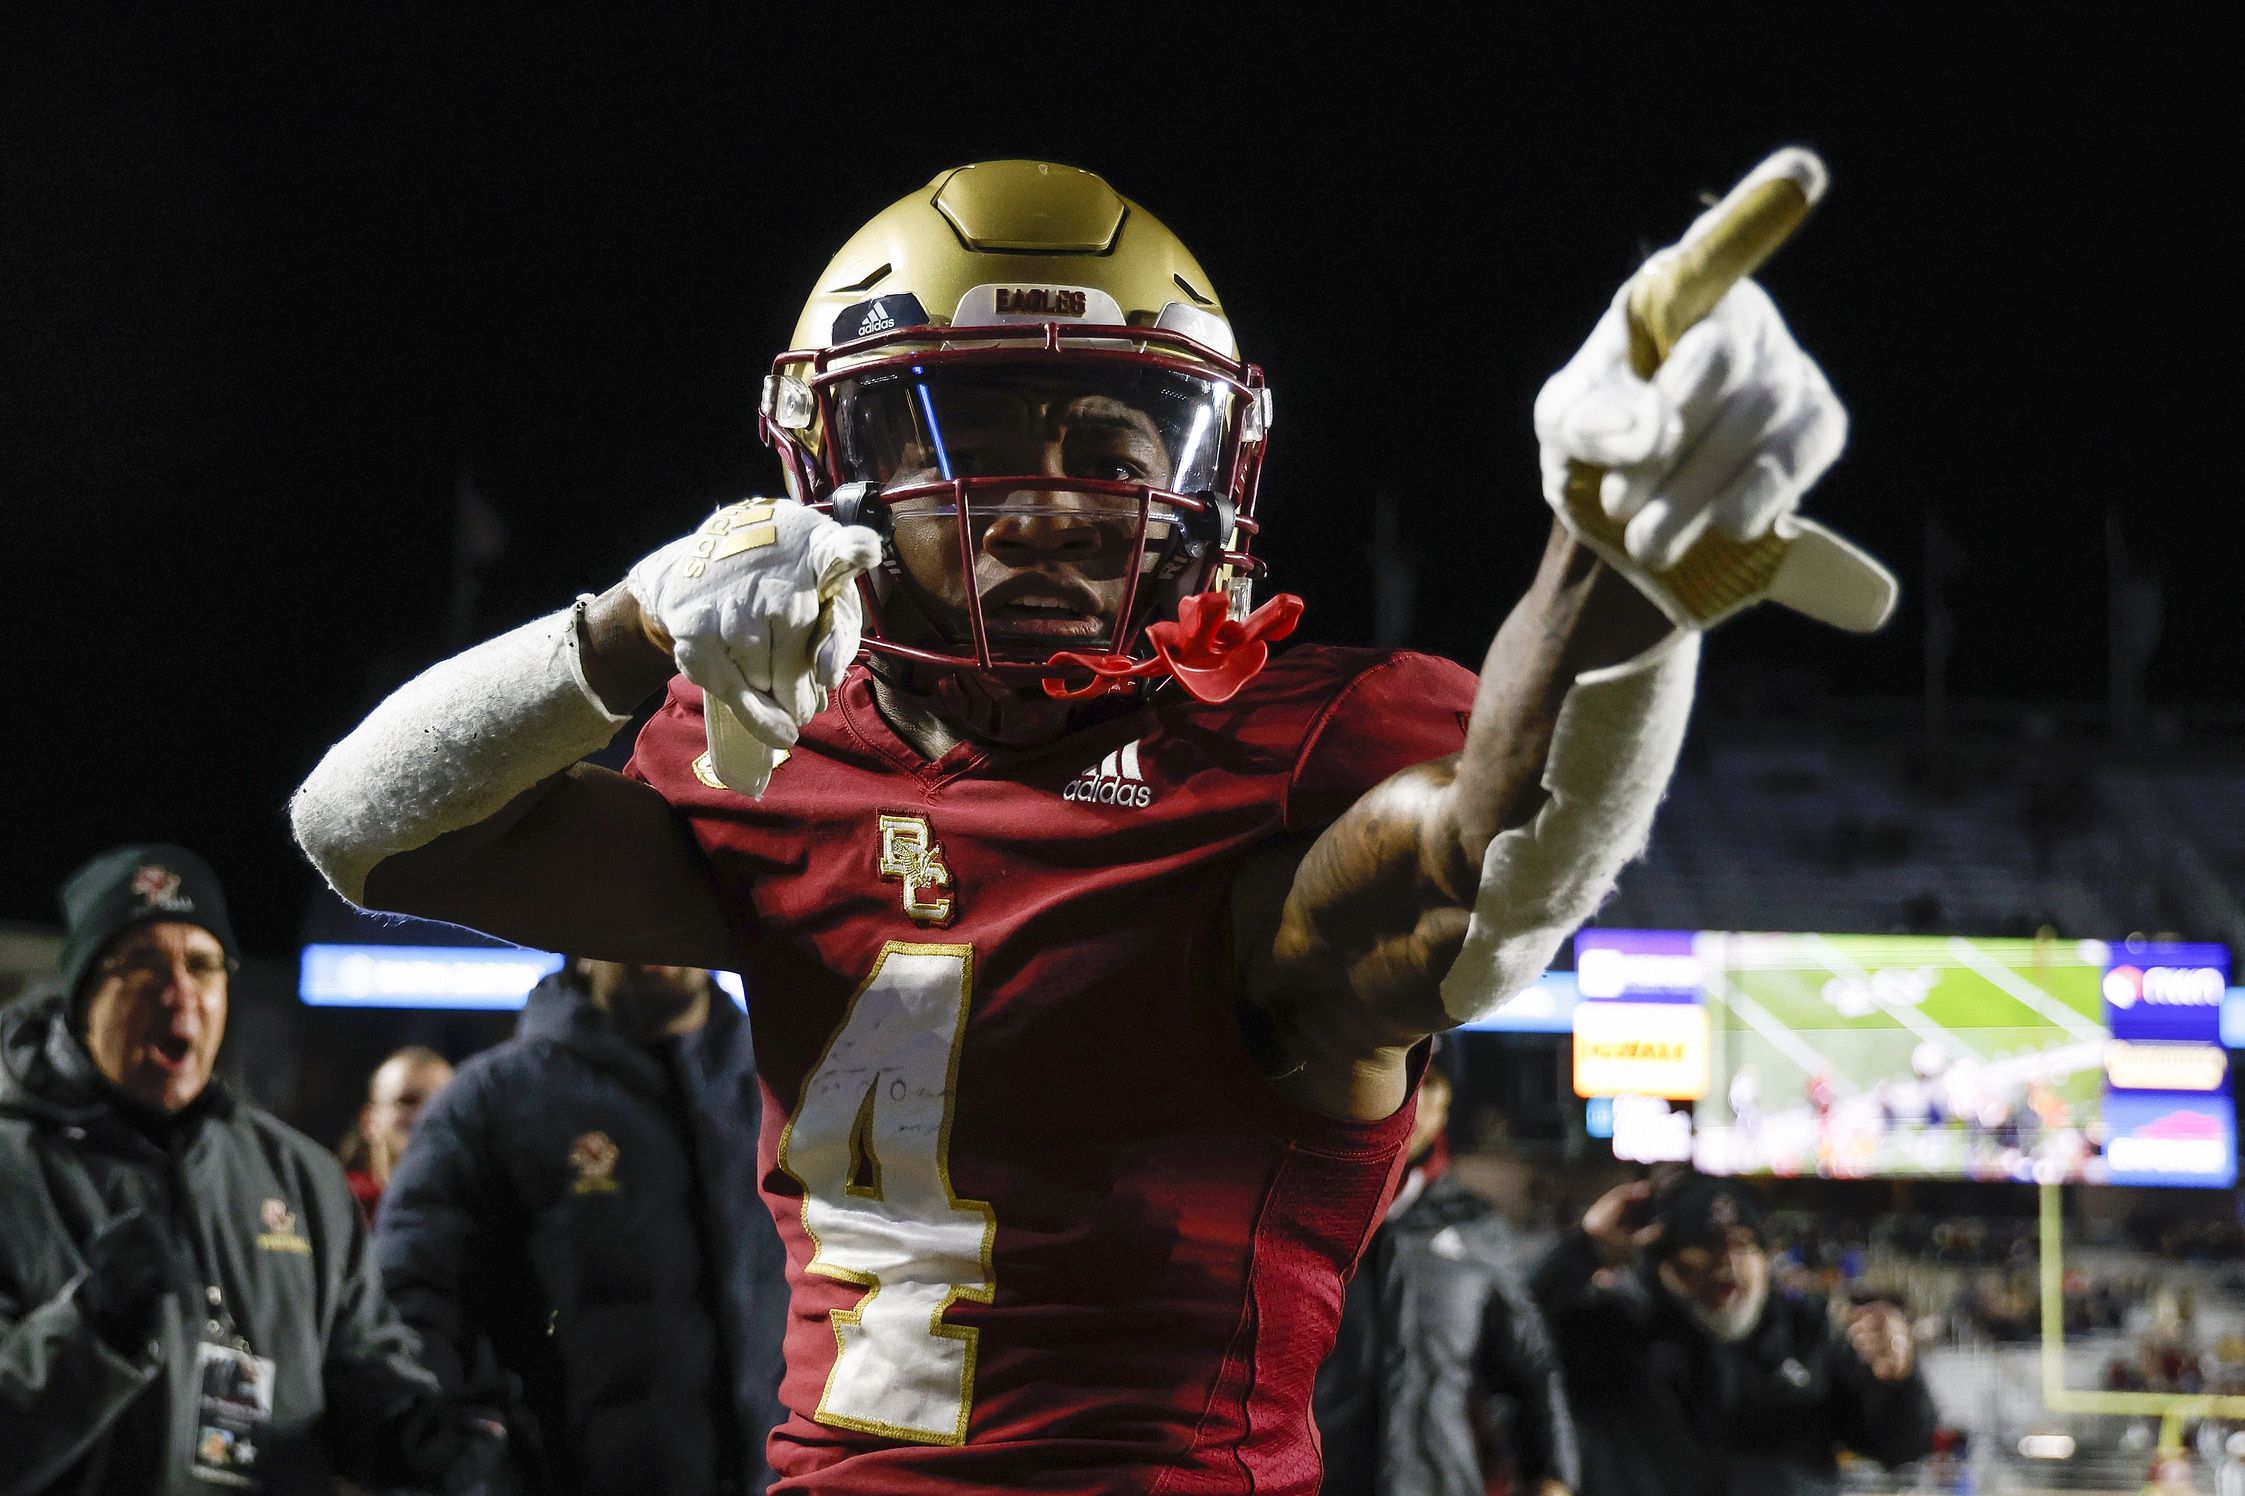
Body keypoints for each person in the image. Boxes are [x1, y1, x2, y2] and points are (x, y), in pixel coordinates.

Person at [291, 155, 1857, 1490]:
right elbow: (359, 829)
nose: (1043, 501)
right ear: (837, 475)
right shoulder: (768, 751)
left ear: (1199, 482)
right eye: (970, 441)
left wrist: (1613, 579)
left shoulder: (1281, 756)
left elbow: (1492, 875)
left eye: (1110, 450)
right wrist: (632, 623)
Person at [0, 844, 500, 1494]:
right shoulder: (12, 1167)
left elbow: (362, 1371)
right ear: (84, 997)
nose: (179, 991)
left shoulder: (299, 1176)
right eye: (143, 964)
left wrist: (412, 1434)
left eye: (202, 966)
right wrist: (93, 1331)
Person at [375, 958, 789, 1496]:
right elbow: (412, 1312)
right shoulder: (491, 1102)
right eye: (631, 902)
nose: (655, 930)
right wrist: (477, 1462)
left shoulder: (786, 1087)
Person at [1531, 1174, 1937, 1496]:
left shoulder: (1810, 1331)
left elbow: (1900, 1447)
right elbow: (1514, 1329)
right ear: (1665, 1263)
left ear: (1765, 1257)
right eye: (1704, 1244)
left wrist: (1900, 1380)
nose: (1726, 1261)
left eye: (1742, 1244)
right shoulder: (1615, 1331)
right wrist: (1587, 1247)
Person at [1315, 1034, 1578, 1496]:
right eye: (1399, 1072)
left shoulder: (1475, 1225)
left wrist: (1552, 1473)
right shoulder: (1307, 1208)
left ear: (1447, 1100)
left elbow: (1530, 1365)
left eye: (1428, 1079)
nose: (1410, 1093)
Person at [338, 1044, 454, 1223]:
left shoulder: (479, 1213)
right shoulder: (336, 1202)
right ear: (370, 1121)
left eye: (442, 1102)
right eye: (408, 1101)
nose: (427, 1114)